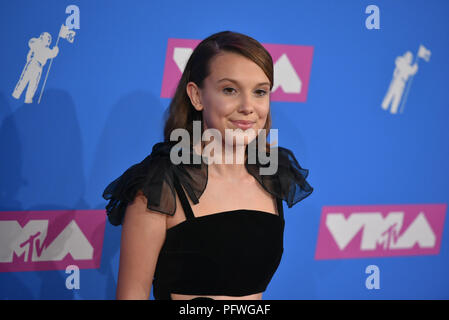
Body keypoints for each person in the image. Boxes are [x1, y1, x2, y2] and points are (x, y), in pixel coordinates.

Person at [102, 30, 314, 300]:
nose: (248, 106)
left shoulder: (272, 174)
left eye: (260, 92)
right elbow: (132, 294)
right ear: (197, 96)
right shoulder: (159, 185)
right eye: (230, 90)